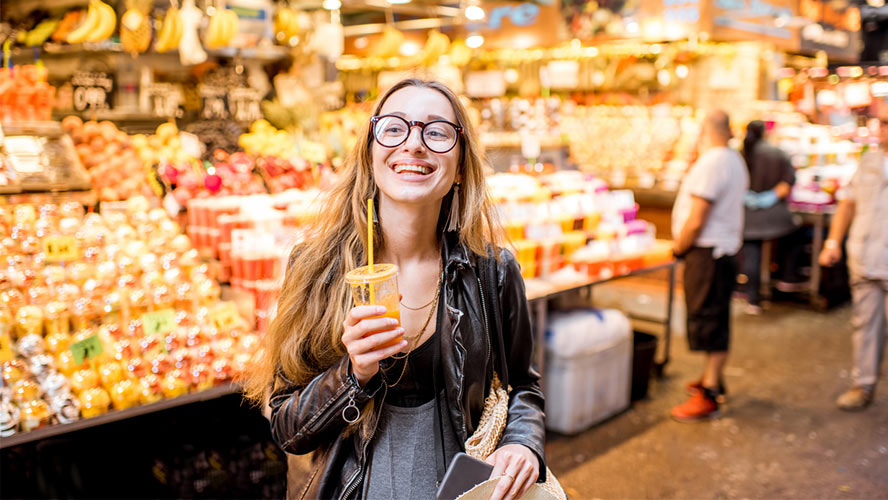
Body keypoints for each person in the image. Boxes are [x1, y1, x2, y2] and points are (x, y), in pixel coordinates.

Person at [244, 79, 546, 500]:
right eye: (393, 128)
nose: (413, 145)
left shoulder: (492, 272)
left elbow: (524, 390)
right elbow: (288, 429)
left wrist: (522, 443)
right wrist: (353, 374)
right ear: (370, 154)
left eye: (436, 132)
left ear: (460, 167)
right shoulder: (317, 269)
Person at [670, 110, 749, 422]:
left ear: (704, 130)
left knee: (710, 320)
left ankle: (711, 393)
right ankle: (711, 379)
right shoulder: (734, 159)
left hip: (709, 254)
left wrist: (679, 246)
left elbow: (697, 216)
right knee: (715, 317)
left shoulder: (714, 161)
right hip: (723, 251)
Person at [819, 125, 888, 411]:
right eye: (882, 123)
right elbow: (848, 203)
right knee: (864, 325)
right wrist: (833, 241)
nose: (882, 130)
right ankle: (864, 384)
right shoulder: (869, 160)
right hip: (864, 258)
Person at [740, 120, 804, 315]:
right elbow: (789, 181)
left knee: (752, 254)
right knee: (795, 234)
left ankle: (754, 299)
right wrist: (770, 197)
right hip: (774, 216)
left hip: (748, 215)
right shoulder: (777, 153)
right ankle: (787, 277)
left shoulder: (740, 154)